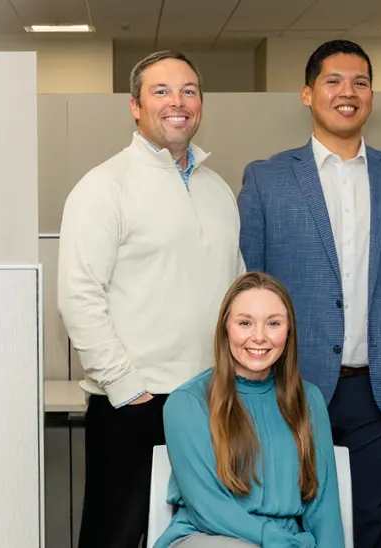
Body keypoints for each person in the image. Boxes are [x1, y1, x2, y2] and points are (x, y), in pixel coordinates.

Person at [236, 39, 381, 548]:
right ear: (308, 94)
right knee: (291, 520)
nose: (347, 92)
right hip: (291, 388)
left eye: (361, 82)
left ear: (372, 95)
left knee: (368, 524)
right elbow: (248, 285)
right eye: (333, 81)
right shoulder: (267, 180)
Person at [57, 50, 246, 548]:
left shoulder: (218, 189)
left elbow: (236, 285)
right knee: (116, 535)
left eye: (188, 90)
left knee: (201, 535)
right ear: (135, 107)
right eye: (160, 91)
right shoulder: (104, 187)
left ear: (201, 104)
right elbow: (78, 294)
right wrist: (126, 387)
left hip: (211, 401)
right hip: (135, 403)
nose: (176, 102)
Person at [157, 272, 344, 548]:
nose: (259, 337)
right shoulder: (186, 402)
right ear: (225, 328)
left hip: (289, 540)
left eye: (273, 323)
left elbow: (323, 507)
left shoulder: (310, 399)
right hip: (208, 538)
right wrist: (281, 543)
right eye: (245, 323)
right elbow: (209, 508)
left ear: (288, 331)